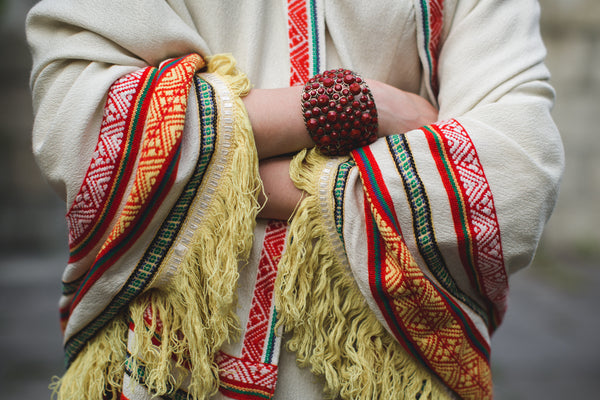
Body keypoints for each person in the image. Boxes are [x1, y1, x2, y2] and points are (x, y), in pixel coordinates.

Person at [26, 0, 563, 399]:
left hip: (382, 367)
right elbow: (79, 131)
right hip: (165, 366)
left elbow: (516, 177)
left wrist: (208, 166)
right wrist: (364, 106)